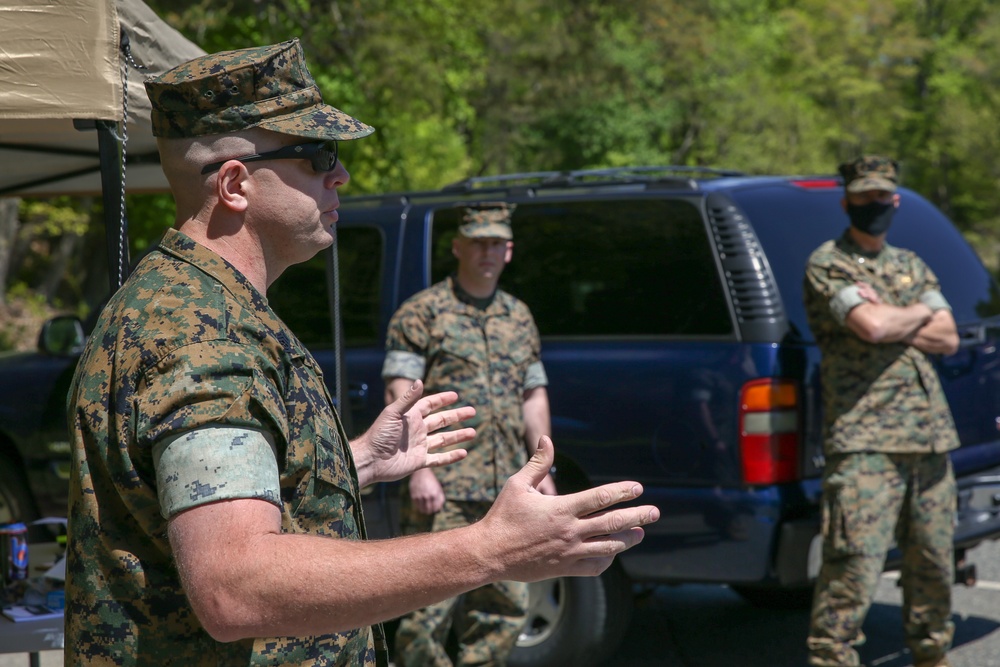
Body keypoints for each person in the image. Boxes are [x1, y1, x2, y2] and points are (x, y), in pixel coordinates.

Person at [63, 39, 659, 667]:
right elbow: (236, 586)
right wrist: (493, 549)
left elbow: (212, 499)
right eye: (318, 155)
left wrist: (356, 464)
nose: (339, 174)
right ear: (235, 184)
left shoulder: (203, 306)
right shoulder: (198, 332)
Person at [381, 203, 556, 666]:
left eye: (496, 243)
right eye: (478, 242)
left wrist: (544, 469)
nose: (487, 251)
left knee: (503, 613)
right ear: (457, 247)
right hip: (446, 485)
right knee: (423, 615)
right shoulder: (423, 312)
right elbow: (402, 392)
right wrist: (419, 470)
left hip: (508, 490)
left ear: (509, 251)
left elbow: (532, 396)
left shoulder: (519, 317)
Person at [803, 155, 960, 667]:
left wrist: (895, 314)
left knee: (935, 570)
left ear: (895, 199)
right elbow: (869, 327)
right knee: (851, 578)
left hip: (931, 442)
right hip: (864, 444)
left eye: (881, 196)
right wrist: (919, 311)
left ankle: (933, 657)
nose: (874, 204)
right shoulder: (829, 261)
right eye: (863, 196)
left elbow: (949, 336)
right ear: (846, 200)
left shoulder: (911, 263)